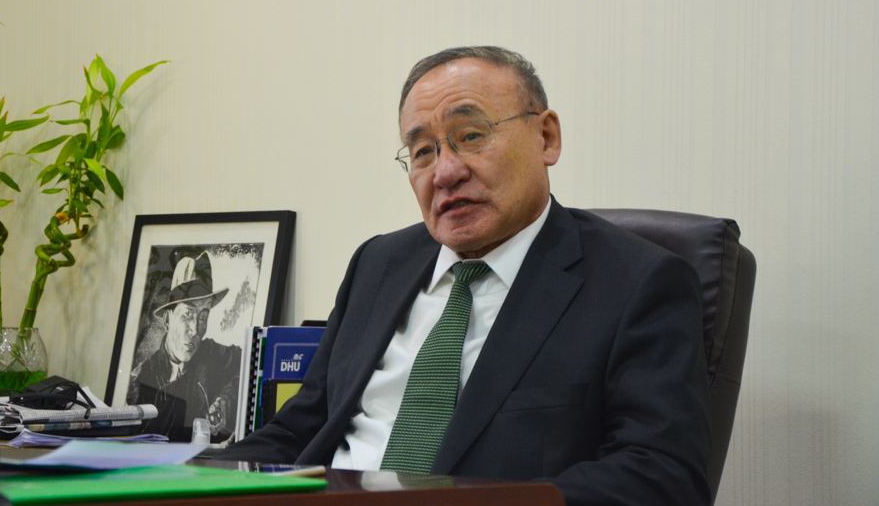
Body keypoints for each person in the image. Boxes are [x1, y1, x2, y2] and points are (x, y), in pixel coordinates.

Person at [218, 46, 711, 505]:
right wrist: (189, 478)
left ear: (546, 137)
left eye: (471, 136)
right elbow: (300, 430)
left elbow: (661, 474)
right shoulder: (378, 263)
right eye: (423, 151)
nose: (444, 172)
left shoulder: (639, 283)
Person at [132, 250, 241, 442]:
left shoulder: (212, 353)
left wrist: (226, 400)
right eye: (188, 314)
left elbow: (251, 362)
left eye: (203, 317)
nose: (195, 330)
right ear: (168, 319)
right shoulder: (142, 378)